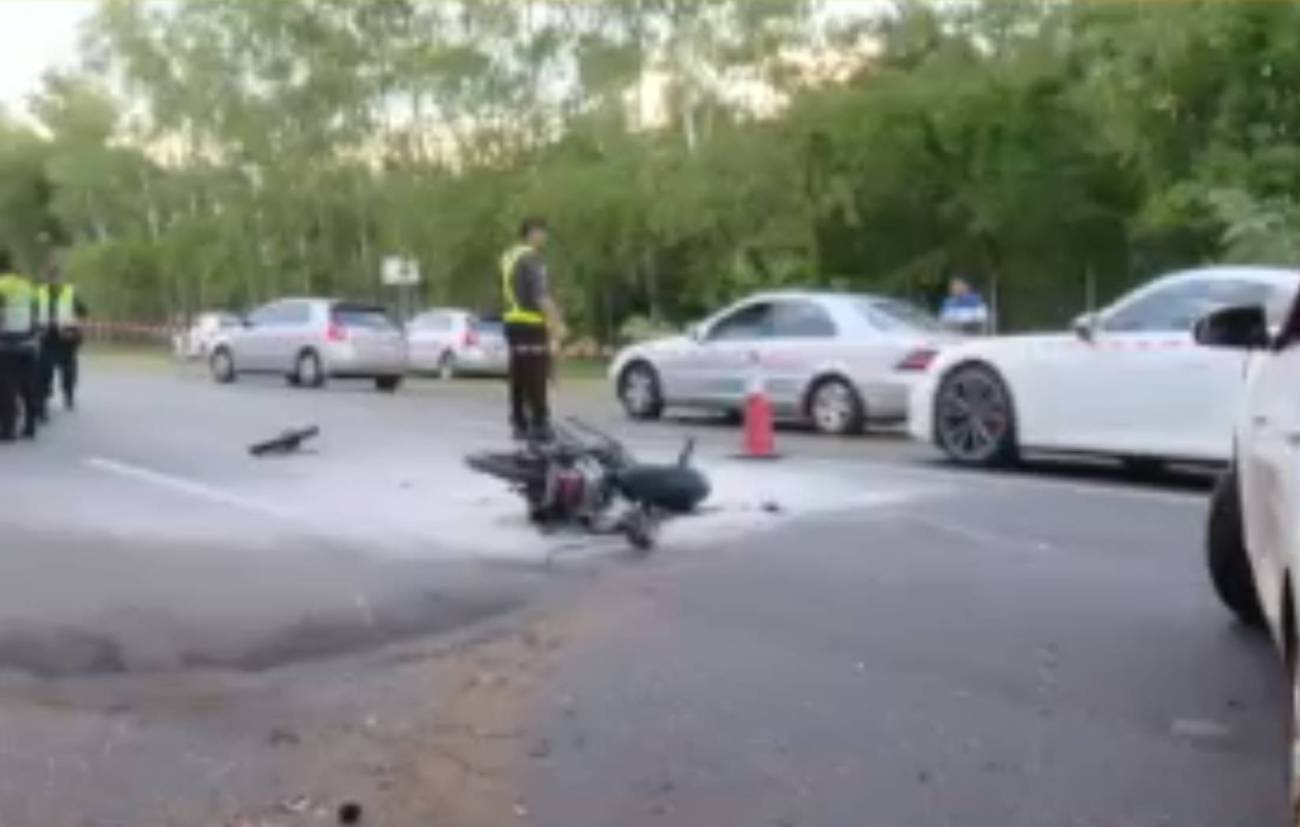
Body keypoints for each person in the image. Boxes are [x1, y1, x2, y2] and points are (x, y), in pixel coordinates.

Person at [501, 217, 564, 442]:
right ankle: (539, 422)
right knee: (536, 374)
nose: (544, 237)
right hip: (531, 324)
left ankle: (519, 422)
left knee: (518, 374)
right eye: (541, 232)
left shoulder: (509, 256)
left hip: (513, 323)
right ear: (532, 234)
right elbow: (541, 296)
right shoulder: (530, 259)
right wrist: (555, 322)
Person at [0, 248, 42, 441]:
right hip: (29, 344)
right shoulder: (28, 287)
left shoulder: (1, 286)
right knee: (28, 385)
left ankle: (7, 431)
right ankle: (30, 425)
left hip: (6, 344)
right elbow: (36, 313)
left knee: (7, 387)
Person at [37, 263, 87, 414]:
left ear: (60, 277)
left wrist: (76, 328)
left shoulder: (70, 292)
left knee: (68, 370)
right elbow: (33, 311)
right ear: (44, 277)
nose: (52, 279)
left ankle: (68, 395)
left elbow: (83, 312)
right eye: (49, 276)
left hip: (67, 337)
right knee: (44, 370)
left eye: (54, 276)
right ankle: (44, 399)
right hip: (47, 337)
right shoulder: (39, 292)